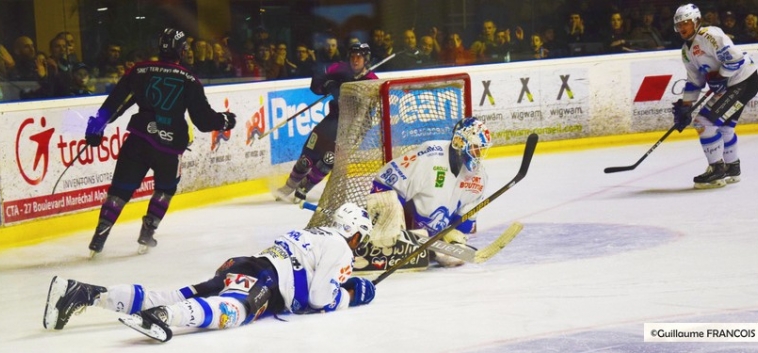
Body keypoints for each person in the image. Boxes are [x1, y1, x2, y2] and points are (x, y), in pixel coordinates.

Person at [43, 202, 376, 342]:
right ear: (355, 232)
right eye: (361, 237)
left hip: (244, 266)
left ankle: (84, 293)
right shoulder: (341, 246)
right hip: (265, 281)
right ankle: (163, 316)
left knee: (176, 294)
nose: (359, 244)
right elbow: (318, 298)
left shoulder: (315, 233)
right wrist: (349, 295)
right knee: (234, 310)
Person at [85, 28, 237, 256]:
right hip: (169, 147)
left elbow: (117, 102)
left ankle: (99, 236)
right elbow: (203, 121)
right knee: (165, 189)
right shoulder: (189, 79)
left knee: (120, 190)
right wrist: (225, 120)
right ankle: (147, 233)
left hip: (138, 140)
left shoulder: (140, 70)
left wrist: (97, 126)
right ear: (181, 50)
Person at [365, 117, 492, 267]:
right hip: (403, 227)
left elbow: (465, 221)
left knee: (453, 255)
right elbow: (385, 183)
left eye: (481, 149)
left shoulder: (479, 178)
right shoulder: (429, 155)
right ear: (459, 142)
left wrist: (453, 240)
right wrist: (388, 224)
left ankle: (430, 247)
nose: (479, 154)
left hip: (429, 238)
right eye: (475, 148)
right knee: (387, 202)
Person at [274, 42, 378, 202]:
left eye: (359, 57)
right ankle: (289, 185)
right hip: (333, 120)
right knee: (306, 158)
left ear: (366, 59)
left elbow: (368, 111)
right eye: (353, 57)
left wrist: (354, 95)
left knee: (328, 159)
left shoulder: (371, 81)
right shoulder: (340, 68)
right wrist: (328, 85)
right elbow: (318, 75)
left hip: (353, 128)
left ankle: (304, 187)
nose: (355, 60)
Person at [671, 4, 758, 189]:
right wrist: (685, 106)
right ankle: (732, 168)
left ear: (696, 21)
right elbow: (695, 81)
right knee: (725, 127)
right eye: (679, 25)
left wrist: (721, 76)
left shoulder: (710, 35)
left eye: (686, 23)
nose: (682, 28)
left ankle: (716, 170)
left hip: (743, 81)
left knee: (703, 122)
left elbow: (736, 59)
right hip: (736, 84)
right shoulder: (686, 51)